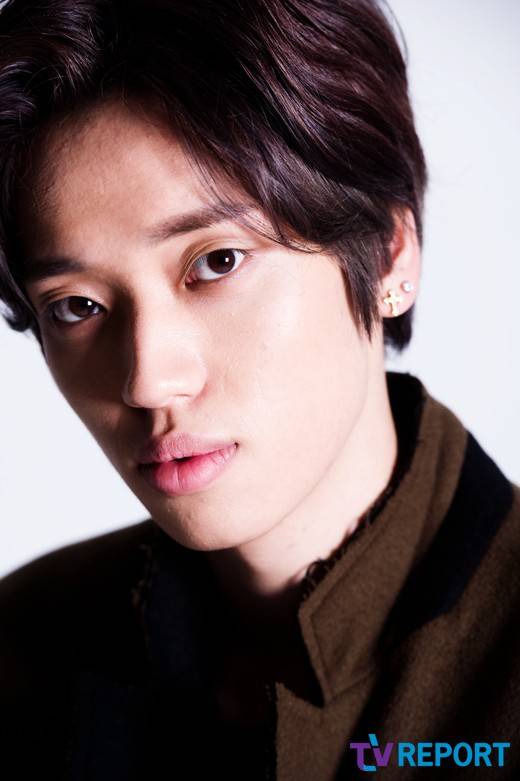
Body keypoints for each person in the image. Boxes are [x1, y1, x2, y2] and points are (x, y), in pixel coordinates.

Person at [0, 0, 518, 778]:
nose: (148, 379)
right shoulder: (22, 650)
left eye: (217, 262)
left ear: (388, 250)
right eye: (77, 306)